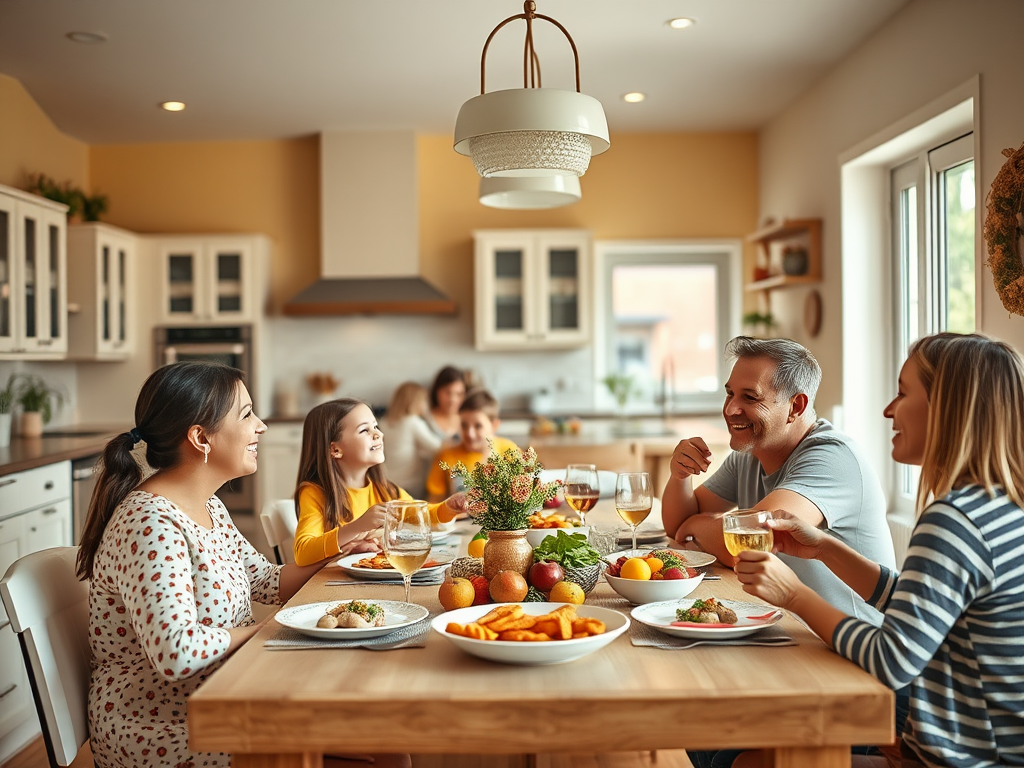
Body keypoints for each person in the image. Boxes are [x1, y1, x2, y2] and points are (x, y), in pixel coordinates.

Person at [76, 362, 406, 768]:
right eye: (247, 414)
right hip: (167, 726)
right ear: (201, 438)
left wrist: (341, 551)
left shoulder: (208, 504)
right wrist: (266, 630)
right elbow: (176, 651)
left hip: (233, 692)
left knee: (389, 741)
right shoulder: (151, 523)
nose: (262, 426)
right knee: (384, 751)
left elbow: (266, 581)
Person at [735, 333, 1024, 768]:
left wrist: (794, 594)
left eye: (903, 393)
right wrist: (826, 549)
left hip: (961, 760)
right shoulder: (998, 507)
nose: (889, 409)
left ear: (950, 408)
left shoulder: (954, 520)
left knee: (745, 757)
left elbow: (890, 659)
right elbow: (918, 604)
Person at [662, 336, 895, 622]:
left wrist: (696, 525)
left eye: (750, 397)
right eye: (729, 393)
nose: (730, 409)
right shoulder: (751, 453)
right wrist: (680, 475)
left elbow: (747, 545)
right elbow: (676, 527)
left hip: (850, 644)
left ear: (796, 406)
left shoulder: (832, 457)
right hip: (793, 626)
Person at [292, 398, 465, 567]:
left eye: (375, 426)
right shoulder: (314, 492)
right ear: (335, 449)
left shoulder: (385, 490)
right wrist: (358, 527)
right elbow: (303, 552)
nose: (378, 434)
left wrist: (448, 508)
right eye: (364, 430)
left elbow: (423, 515)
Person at [425, 388, 519, 503]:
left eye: (478, 426)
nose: (470, 433)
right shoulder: (446, 456)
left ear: (494, 425)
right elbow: (434, 504)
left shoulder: (509, 451)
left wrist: (488, 457)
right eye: (464, 425)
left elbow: (519, 499)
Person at [381, 381, 442, 499]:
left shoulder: (384, 423)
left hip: (389, 482)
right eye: (424, 400)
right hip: (410, 486)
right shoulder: (413, 422)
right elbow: (436, 447)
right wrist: (427, 417)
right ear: (416, 402)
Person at [425, 365, 466, 442]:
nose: (453, 399)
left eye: (459, 394)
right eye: (448, 392)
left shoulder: (469, 420)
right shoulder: (425, 421)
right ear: (437, 392)